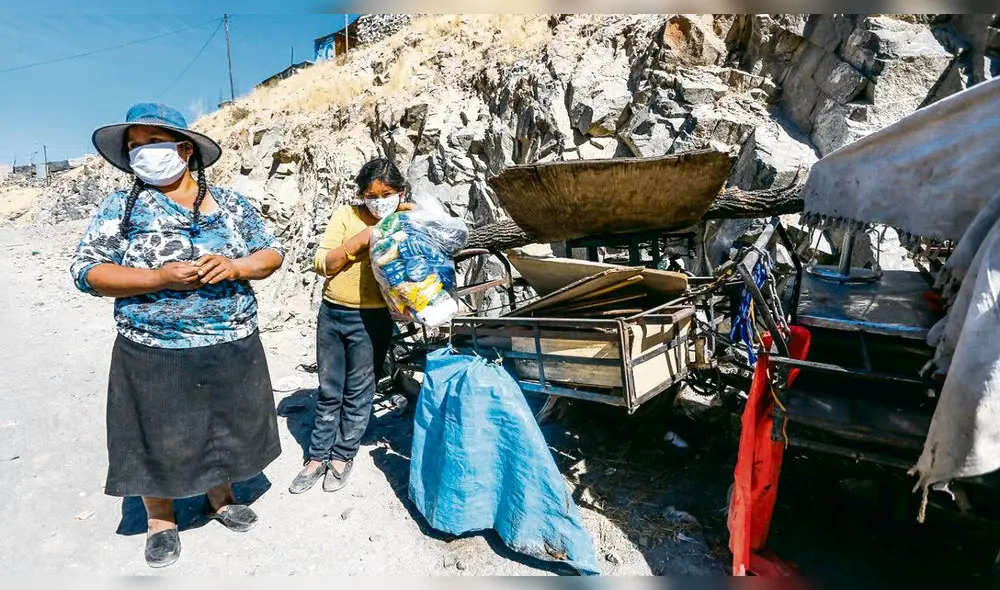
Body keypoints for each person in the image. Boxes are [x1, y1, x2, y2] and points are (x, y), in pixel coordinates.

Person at [70, 103, 285, 569]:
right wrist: (157, 279)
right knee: (156, 433)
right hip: (152, 348)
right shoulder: (121, 207)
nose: (140, 154)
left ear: (184, 150)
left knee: (223, 426)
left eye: (151, 144)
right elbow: (86, 271)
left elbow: (271, 253)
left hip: (231, 340)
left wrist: (237, 265)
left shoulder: (230, 204)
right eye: (133, 148)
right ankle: (160, 519)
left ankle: (221, 498)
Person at [288, 158, 413, 494]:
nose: (379, 201)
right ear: (361, 194)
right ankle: (316, 457)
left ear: (400, 193)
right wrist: (360, 241)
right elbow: (322, 263)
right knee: (329, 390)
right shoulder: (347, 216)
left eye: (387, 194)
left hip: (373, 320)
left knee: (359, 392)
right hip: (333, 314)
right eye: (371, 195)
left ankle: (342, 456)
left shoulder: (406, 221)